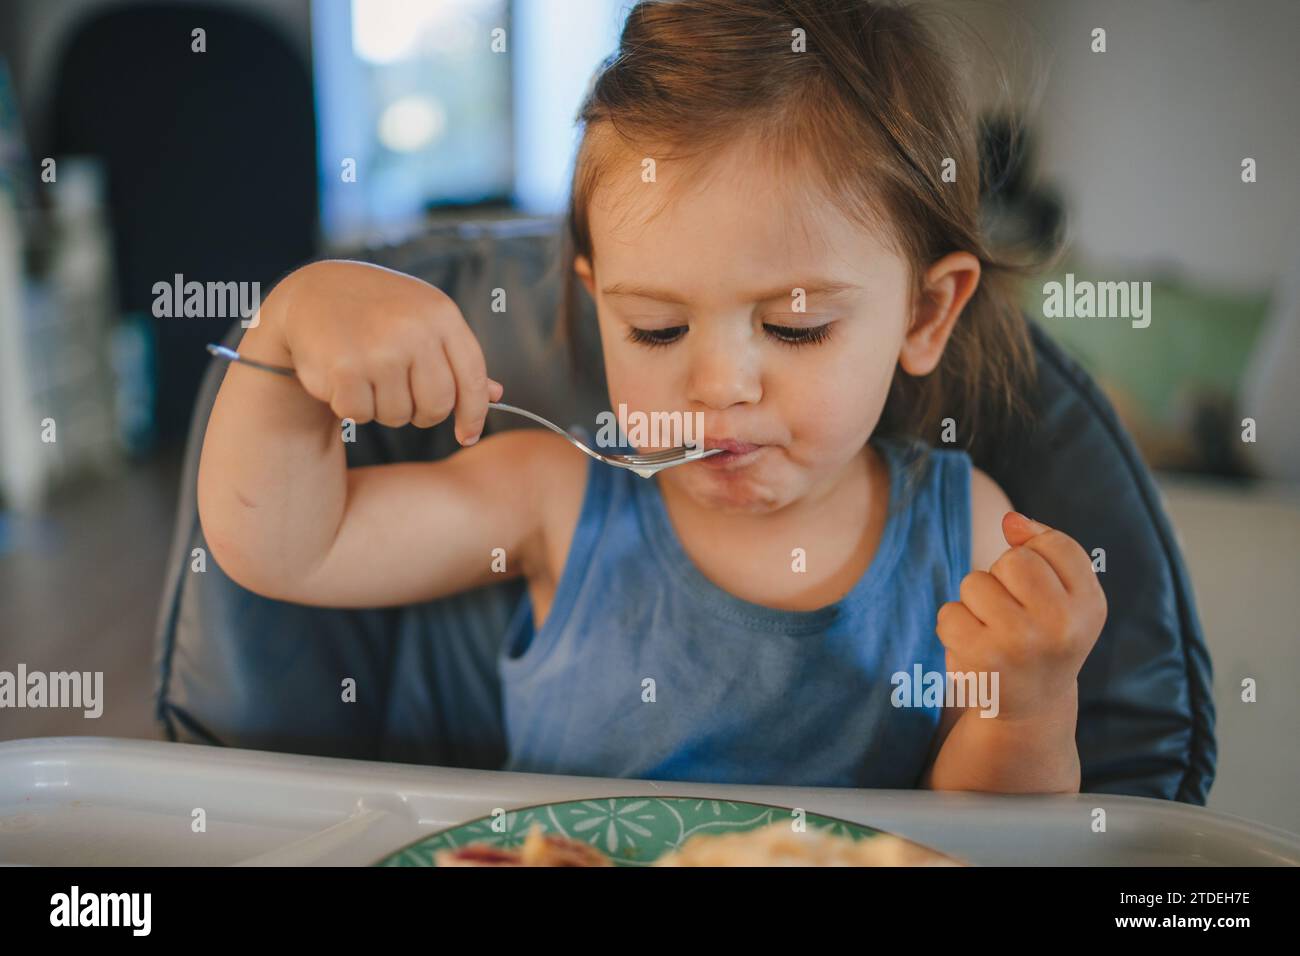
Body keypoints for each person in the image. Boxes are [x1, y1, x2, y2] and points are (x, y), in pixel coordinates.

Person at [197, 0, 1106, 793]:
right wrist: (284, 332)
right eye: (657, 331)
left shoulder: (969, 543)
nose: (718, 387)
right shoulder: (555, 499)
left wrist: (1026, 705)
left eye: (795, 329)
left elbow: (988, 843)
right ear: (600, 309)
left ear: (926, 313)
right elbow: (291, 550)